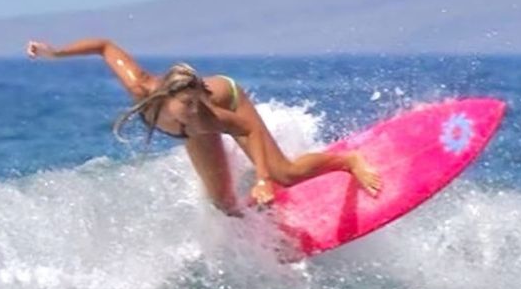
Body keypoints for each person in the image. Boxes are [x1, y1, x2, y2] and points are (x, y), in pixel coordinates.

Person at [26, 39, 381, 214]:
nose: (193, 112)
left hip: (228, 97)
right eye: (186, 107)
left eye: (197, 105)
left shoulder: (206, 114)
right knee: (223, 203)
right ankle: (266, 226)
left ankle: (347, 161)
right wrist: (54, 53)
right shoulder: (140, 88)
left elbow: (246, 129)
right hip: (188, 125)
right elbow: (104, 46)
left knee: (282, 172)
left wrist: (262, 178)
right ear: (165, 98)